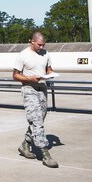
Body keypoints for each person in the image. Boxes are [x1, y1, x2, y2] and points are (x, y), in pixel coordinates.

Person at [12, 32, 58, 168]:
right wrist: (29, 79)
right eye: (39, 44)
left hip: (42, 89)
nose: (41, 47)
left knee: (39, 119)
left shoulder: (45, 53)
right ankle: (45, 154)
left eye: (43, 44)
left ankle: (25, 145)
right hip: (29, 89)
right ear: (31, 42)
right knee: (37, 121)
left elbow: (49, 69)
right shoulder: (23, 55)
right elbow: (15, 75)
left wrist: (50, 74)